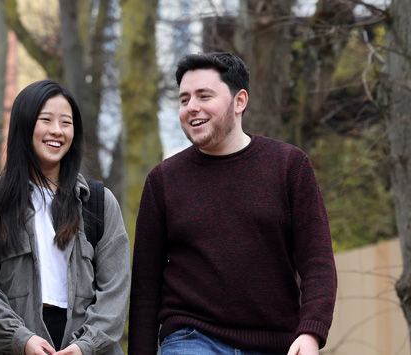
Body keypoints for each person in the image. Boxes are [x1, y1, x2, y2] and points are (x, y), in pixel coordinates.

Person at [128, 52, 337, 355]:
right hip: (191, 337)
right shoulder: (162, 181)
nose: (192, 108)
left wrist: (311, 331)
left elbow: (317, 262)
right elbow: (145, 288)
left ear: (239, 101)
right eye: (184, 99)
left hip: (277, 341)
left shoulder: (289, 166)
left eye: (204, 96)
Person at [0, 80, 131, 355]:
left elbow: (115, 288)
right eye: (45, 120)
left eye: (66, 122)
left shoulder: (98, 202)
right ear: (23, 126)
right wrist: (21, 339)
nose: (57, 131)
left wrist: (85, 345)